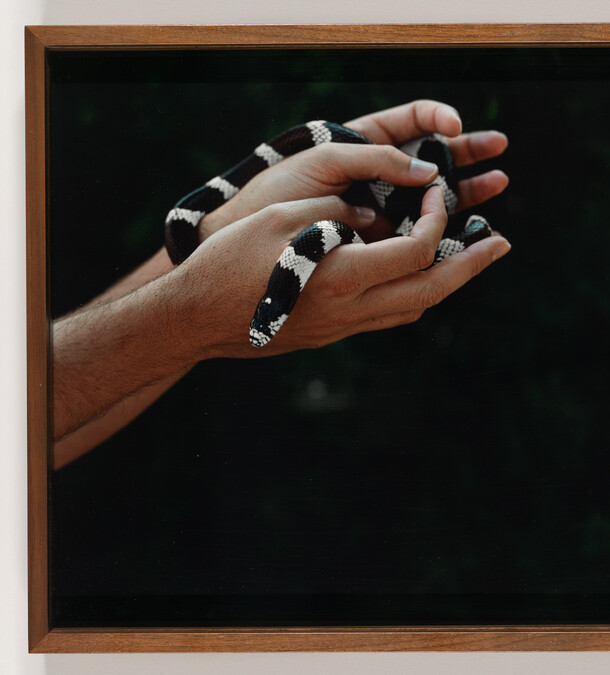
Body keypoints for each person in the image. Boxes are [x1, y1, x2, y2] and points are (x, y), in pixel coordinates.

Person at [52, 100, 511, 469]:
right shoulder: (315, 243)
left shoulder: (311, 247)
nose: (260, 332)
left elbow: (44, 433)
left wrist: (210, 255)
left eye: (263, 321)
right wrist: (197, 312)